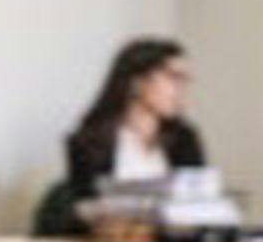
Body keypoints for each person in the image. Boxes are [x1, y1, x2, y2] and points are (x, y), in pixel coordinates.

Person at [66, 38, 205, 202]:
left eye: (185, 80)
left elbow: (199, 202)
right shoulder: (88, 142)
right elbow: (84, 206)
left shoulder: (185, 139)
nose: (182, 89)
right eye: (173, 77)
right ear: (137, 81)